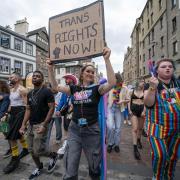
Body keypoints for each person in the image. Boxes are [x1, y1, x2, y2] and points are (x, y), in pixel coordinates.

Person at [47, 47, 116, 180]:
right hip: (75, 130)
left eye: (93, 71)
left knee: (94, 165)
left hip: (92, 131)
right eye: (88, 71)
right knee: (70, 164)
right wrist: (50, 68)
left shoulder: (97, 89)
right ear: (82, 73)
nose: (90, 73)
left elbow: (112, 82)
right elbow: (55, 87)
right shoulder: (74, 89)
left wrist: (107, 59)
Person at [144, 58, 180, 180]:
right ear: (157, 70)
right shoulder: (150, 84)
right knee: (160, 155)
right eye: (163, 66)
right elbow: (148, 103)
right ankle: (157, 176)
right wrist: (152, 88)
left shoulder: (178, 83)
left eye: (170, 66)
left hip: (177, 129)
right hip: (157, 128)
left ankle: (169, 176)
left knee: (173, 156)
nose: (167, 68)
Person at [19, 71, 58, 179]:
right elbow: (28, 109)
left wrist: (44, 124)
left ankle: (53, 155)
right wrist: (23, 125)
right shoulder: (30, 93)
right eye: (34, 76)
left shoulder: (47, 91)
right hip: (31, 125)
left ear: (42, 79)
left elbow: (51, 108)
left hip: (41, 124)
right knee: (31, 150)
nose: (35, 77)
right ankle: (39, 167)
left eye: (38, 76)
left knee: (38, 150)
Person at [3, 72, 29, 174]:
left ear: (18, 79)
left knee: (11, 136)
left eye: (12, 77)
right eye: (10, 77)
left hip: (20, 113)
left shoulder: (22, 89)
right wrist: (6, 113)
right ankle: (26, 149)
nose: (10, 78)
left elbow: (27, 106)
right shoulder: (11, 89)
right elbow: (11, 104)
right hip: (13, 113)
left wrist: (25, 123)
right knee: (17, 135)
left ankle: (15, 158)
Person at [56, 74, 77, 158]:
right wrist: (58, 109)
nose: (66, 80)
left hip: (74, 112)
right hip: (67, 112)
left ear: (72, 80)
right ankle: (65, 146)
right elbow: (61, 101)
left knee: (73, 129)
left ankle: (72, 146)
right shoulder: (65, 90)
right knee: (66, 128)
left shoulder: (76, 89)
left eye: (67, 79)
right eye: (66, 79)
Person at [106, 73, 124, 153]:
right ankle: (110, 143)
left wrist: (122, 101)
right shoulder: (110, 87)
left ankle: (116, 144)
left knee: (118, 128)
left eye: (114, 78)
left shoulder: (123, 88)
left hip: (118, 109)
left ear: (117, 79)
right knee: (110, 127)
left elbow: (128, 99)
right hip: (110, 108)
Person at [128, 78, 145, 160]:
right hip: (134, 110)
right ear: (138, 83)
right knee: (134, 129)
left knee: (140, 128)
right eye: (142, 82)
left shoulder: (145, 92)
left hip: (142, 110)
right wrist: (129, 110)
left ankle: (139, 140)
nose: (143, 83)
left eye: (144, 82)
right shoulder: (132, 91)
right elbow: (128, 101)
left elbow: (146, 103)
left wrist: (144, 111)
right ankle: (135, 148)